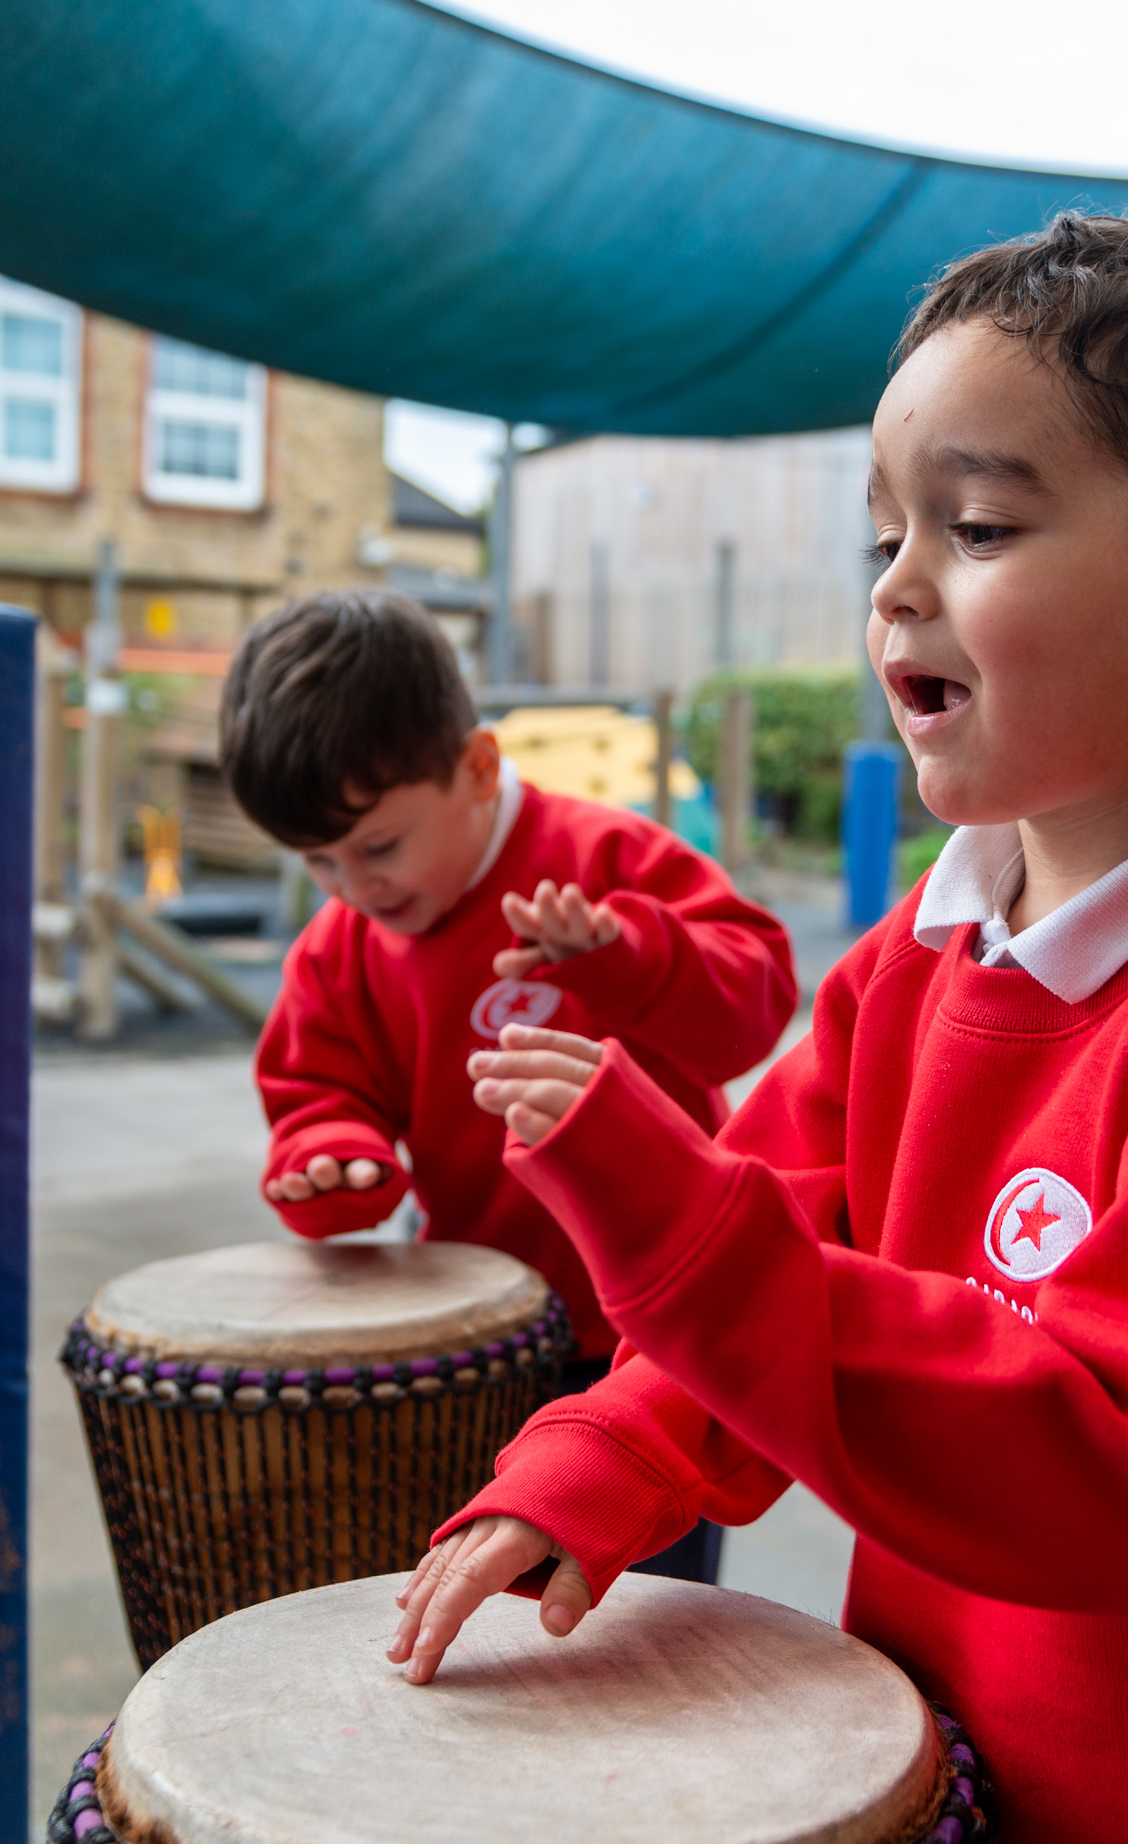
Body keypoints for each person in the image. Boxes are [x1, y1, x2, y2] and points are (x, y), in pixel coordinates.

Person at [390, 215, 1128, 1844]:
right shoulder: (914, 966)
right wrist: (594, 1467)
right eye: (889, 530)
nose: (898, 585)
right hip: (964, 1776)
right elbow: (758, 1284)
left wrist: (678, 1220)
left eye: (981, 526)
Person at [221, 589, 799, 1581]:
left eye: (379, 846)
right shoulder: (343, 947)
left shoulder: (607, 857)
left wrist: (626, 956)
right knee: (485, 1627)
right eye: (319, 862)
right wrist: (334, 1156)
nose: (355, 887)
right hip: (476, 1337)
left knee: (646, 1637)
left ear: (478, 769)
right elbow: (318, 1084)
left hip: (650, 1338)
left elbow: (755, 1002)